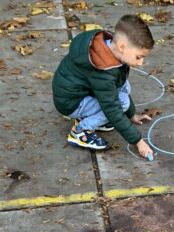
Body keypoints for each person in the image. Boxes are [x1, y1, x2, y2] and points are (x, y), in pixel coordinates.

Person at [52, 15, 155, 159]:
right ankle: (81, 131)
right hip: (71, 103)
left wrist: (132, 115)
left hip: (81, 93)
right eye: (138, 57)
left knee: (124, 91)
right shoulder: (103, 70)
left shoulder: (110, 51)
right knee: (122, 103)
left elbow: (121, 85)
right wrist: (138, 141)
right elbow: (112, 108)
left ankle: (92, 118)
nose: (141, 63)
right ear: (122, 47)